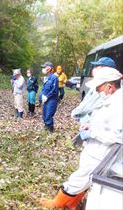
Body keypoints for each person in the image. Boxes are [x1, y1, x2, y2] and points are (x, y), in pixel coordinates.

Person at [40, 67, 122, 210]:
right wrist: (91, 125)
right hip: (95, 148)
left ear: (109, 87)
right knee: (86, 178)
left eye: (98, 87)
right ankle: (73, 202)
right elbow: (105, 122)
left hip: (101, 152)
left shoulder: (118, 105)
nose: (96, 90)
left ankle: (57, 203)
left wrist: (93, 131)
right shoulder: (112, 98)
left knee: (81, 177)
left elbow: (117, 135)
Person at [71, 57, 117, 145]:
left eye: (98, 66)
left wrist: (75, 113)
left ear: (106, 69)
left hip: (97, 133)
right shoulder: (101, 84)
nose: (94, 69)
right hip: (91, 127)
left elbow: (88, 105)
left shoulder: (104, 87)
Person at [39, 61, 59, 132]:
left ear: (49, 68)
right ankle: (46, 127)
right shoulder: (46, 78)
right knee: (44, 115)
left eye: (44, 67)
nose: (43, 69)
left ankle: (50, 130)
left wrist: (47, 96)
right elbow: (44, 89)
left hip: (52, 100)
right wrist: (40, 98)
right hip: (45, 100)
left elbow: (55, 90)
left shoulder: (54, 78)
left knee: (48, 115)